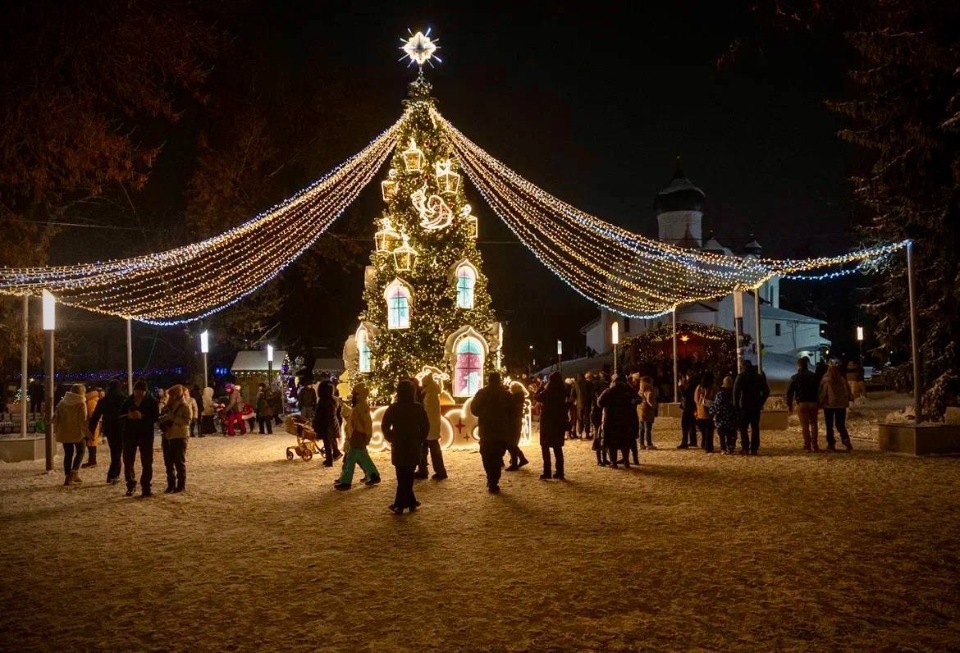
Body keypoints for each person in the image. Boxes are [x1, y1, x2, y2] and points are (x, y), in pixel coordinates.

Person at [381, 379, 429, 514]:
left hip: (399, 444)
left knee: (402, 475)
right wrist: (420, 438)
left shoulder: (393, 408)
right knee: (408, 475)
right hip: (413, 444)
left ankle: (400, 504)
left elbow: (385, 426)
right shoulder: (417, 408)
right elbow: (425, 426)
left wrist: (392, 437)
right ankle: (410, 502)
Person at [471, 371, 517, 491]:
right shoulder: (506, 394)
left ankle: (490, 478)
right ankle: (493, 481)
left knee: (486, 456)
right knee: (497, 457)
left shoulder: (482, 393)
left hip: (486, 430)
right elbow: (513, 412)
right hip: (501, 431)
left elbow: (474, 409)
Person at [335, 382, 381, 489]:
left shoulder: (361, 407)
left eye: (354, 394)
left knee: (351, 459)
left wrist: (367, 435)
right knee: (363, 457)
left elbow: (367, 422)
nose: (353, 396)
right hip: (357, 435)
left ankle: (346, 482)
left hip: (358, 435)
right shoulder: (359, 406)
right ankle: (373, 475)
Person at [120, 380, 160, 497]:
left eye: (140, 392)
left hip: (145, 435)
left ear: (145, 391)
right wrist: (128, 416)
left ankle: (146, 486)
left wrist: (142, 416)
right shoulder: (128, 401)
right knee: (128, 461)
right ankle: (130, 484)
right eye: (136, 392)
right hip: (129, 434)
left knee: (147, 462)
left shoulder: (151, 401)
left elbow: (155, 417)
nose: (138, 394)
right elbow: (120, 416)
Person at [87, 379, 126, 484]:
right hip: (121, 428)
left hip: (109, 429)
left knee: (114, 451)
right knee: (117, 452)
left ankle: (112, 475)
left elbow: (95, 417)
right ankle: (113, 475)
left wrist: (90, 431)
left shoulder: (103, 400)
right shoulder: (123, 399)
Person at [597, 374, 639, 469]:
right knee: (625, 442)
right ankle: (626, 461)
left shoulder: (609, 391)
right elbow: (637, 399)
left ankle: (613, 462)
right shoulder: (628, 391)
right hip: (625, 419)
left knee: (612, 443)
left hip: (611, 420)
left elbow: (599, 403)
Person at [53, 383, 90, 486]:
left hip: (65, 432)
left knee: (68, 454)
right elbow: (83, 420)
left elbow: (56, 418)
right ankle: (74, 471)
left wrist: (56, 430)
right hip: (78, 433)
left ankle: (67, 476)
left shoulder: (62, 402)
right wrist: (88, 434)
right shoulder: (81, 403)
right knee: (81, 451)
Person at [536, 371, 570, 479]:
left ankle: (547, 471)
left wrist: (541, 387)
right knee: (557, 448)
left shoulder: (548, 391)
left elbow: (537, 397)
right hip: (559, 421)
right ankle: (560, 472)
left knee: (545, 447)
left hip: (547, 421)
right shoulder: (562, 391)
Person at [733, 359, 770, 455]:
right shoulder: (758, 377)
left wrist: (736, 406)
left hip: (744, 406)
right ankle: (754, 448)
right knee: (755, 428)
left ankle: (745, 447)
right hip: (755, 406)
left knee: (743, 428)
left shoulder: (741, 377)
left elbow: (736, 392)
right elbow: (766, 391)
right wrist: (761, 401)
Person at [158, 384, 191, 493]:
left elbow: (187, 421)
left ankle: (181, 485)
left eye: (172, 395)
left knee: (179, 461)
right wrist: (164, 420)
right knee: (168, 462)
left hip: (179, 435)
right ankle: (171, 484)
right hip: (167, 435)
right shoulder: (167, 407)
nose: (170, 397)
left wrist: (174, 419)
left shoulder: (185, 406)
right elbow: (161, 418)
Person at [415, 374, 448, 480]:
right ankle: (427, 469)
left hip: (429, 426)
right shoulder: (431, 393)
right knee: (426, 448)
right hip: (430, 426)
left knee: (432, 448)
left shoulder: (429, 395)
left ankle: (439, 471)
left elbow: (426, 411)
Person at [786, 356, 822, 453]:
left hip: (802, 402)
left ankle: (807, 444)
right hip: (813, 402)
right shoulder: (813, 376)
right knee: (814, 423)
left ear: (798, 365)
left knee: (805, 425)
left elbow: (789, 392)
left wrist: (789, 404)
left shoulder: (795, 377)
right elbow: (819, 389)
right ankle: (815, 444)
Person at [820, 361, 854, 452]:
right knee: (840, 424)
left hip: (829, 405)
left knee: (829, 425)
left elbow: (823, 393)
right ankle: (846, 441)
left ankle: (831, 444)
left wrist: (820, 402)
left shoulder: (826, 380)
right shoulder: (842, 379)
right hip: (841, 405)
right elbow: (847, 391)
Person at [312, 380, 342, 467]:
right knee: (332, 439)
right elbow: (338, 412)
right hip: (334, 421)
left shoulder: (323, 401)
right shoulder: (335, 399)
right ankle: (336, 453)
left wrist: (315, 423)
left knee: (327, 441)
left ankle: (329, 460)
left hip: (325, 423)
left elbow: (319, 413)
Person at [505, 381, 531, 471]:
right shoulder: (519, 397)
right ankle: (518, 460)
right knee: (512, 443)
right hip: (516, 421)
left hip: (513, 421)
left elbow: (510, 408)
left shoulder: (515, 398)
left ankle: (517, 462)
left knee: (511, 443)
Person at [710, 376, 739, 455]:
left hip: (722, 416)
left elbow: (716, 404)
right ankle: (730, 447)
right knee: (731, 433)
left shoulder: (720, 394)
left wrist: (711, 411)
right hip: (732, 416)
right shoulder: (735, 393)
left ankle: (723, 448)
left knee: (722, 434)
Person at [694, 371, 717, 453]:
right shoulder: (713, 388)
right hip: (709, 412)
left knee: (703, 431)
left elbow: (695, 399)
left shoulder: (699, 387)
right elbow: (715, 399)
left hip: (700, 411)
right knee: (709, 431)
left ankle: (704, 444)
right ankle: (708, 446)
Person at [677, 369, 701, 448]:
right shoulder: (695, 383)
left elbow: (685, 395)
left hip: (688, 406)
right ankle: (693, 440)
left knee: (685, 424)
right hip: (692, 406)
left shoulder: (691, 385)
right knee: (691, 424)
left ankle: (684, 442)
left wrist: (680, 387)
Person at [80, 387, 102, 468]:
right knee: (91, 442)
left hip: (92, 425)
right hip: (93, 425)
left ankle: (92, 461)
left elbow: (92, 414)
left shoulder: (91, 402)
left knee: (91, 442)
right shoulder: (93, 400)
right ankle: (92, 460)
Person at [637, 376, 658, 450]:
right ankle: (649, 444)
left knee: (641, 428)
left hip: (641, 409)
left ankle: (641, 444)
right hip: (647, 410)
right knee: (648, 428)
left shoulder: (641, 388)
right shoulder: (648, 388)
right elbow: (649, 398)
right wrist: (653, 406)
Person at [576, 372, 595, 439]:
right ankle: (587, 433)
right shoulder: (589, 383)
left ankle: (580, 433)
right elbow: (592, 393)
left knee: (580, 419)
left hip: (579, 404)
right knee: (587, 418)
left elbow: (575, 394)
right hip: (587, 403)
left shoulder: (576, 384)